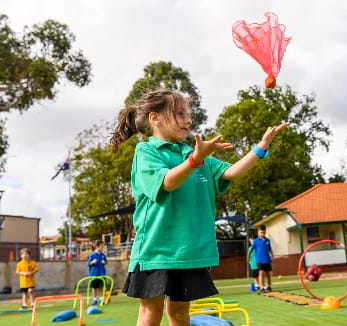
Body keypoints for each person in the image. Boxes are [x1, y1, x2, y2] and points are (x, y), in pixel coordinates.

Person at [110, 89, 289, 326]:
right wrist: (195, 160)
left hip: (188, 252)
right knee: (150, 314)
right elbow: (168, 182)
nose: (188, 120)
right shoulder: (147, 152)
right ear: (155, 118)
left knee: (181, 314)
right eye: (180, 113)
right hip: (155, 250)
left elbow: (231, 171)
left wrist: (261, 147)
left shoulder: (191, 152)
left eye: (188, 113)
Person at [249, 224, 274, 293]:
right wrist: (248, 258)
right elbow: (251, 250)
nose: (262, 234)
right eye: (261, 233)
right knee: (261, 273)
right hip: (259, 260)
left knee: (268, 274)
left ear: (265, 232)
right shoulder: (256, 241)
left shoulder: (267, 240)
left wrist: (272, 256)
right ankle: (262, 287)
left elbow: (270, 249)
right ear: (258, 232)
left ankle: (268, 286)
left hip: (267, 260)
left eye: (264, 232)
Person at [87, 240, 108, 305]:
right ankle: (94, 299)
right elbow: (88, 263)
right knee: (94, 287)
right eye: (101, 247)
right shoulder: (92, 255)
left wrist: (104, 262)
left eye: (103, 247)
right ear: (97, 246)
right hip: (94, 274)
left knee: (101, 287)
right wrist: (92, 262)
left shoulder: (103, 255)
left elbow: (106, 262)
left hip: (102, 274)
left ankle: (101, 298)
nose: (102, 248)